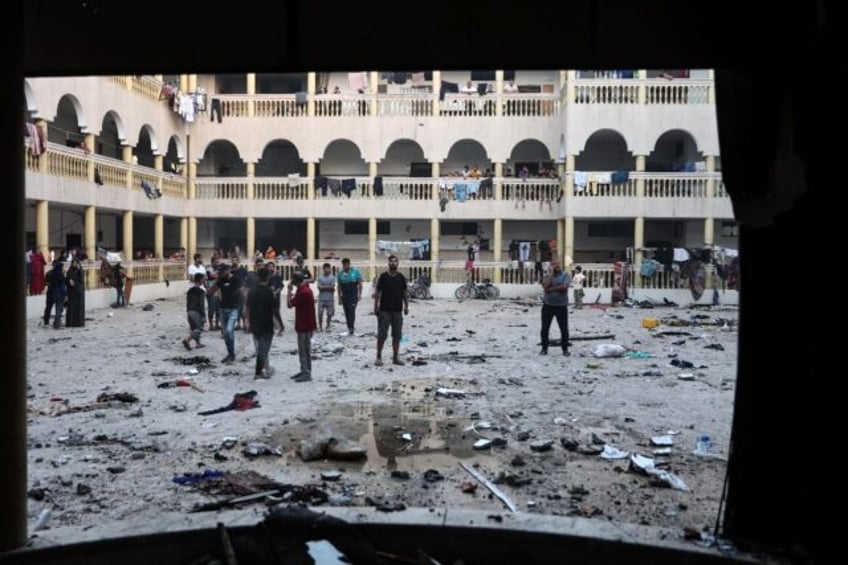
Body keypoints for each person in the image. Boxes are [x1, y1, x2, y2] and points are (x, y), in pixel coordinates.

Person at [373, 254, 409, 366]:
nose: (393, 263)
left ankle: (395, 357)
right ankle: (378, 357)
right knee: (382, 335)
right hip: (384, 310)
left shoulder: (401, 277)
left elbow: (405, 293)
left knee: (397, 335)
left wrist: (406, 306)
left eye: (395, 261)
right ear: (388, 263)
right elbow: (377, 292)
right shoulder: (383, 277)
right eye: (391, 261)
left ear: (398, 263)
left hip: (397, 311)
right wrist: (375, 306)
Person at [245, 266, 277, 379]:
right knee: (264, 349)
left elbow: (247, 307)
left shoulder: (252, 291)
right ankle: (259, 372)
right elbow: (274, 310)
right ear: (268, 277)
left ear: (257, 277)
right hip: (266, 322)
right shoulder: (269, 292)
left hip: (255, 322)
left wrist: (247, 322)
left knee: (259, 347)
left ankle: (265, 368)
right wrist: (280, 324)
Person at [208, 263, 242, 364]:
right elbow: (210, 292)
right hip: (222, 309)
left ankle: (231, 354)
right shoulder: (220, 280)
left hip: (233, 309)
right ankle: (230, 354)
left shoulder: (236, 279)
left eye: (222, 271)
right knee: (226, 334)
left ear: (228, 270)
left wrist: (241, 306)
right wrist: (216, 282)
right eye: (219, 272)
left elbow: (242, 292)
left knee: (229, 330)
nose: (221, 273)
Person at [286, 270, 317, 382]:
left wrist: (289, 291)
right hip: (308, 324)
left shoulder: (302, 292)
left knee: (303, 350)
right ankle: (306, 370)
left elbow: (289, 304)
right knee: (306, 349)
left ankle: (306, 372)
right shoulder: (306, 290)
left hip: (303, 324)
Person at [539, 259, 571, 356]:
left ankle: (565, 349)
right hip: (547, 305)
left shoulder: (566, 275)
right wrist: (552, 275)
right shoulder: (547, 276)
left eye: (557, 264)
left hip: (561, 306)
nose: (556, 266)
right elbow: (545, 287)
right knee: (545, 328)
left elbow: (564, 287)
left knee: (564, 329)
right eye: (553, 264)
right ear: (551, 266)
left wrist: (551, 289)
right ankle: (544, 348)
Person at [337, 257, 363, 336]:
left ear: (349, 264)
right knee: (347, 311)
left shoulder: (356, 272)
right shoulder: (340, 273)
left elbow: (360, 284)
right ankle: (349, 327)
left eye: (347, 265)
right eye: (344, 265)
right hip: (345, 295)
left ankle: (351, 327)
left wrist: (360, 294)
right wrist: (339, 297)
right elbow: (339, 286)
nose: (345, 266)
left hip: (353, 294)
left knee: (352, 311)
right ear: (342, 265)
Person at [183, 272, 206, 351]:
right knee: (199, 328)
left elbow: (188, 302)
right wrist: (203, 316)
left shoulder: (190, 290)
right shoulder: (201, 291)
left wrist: (188, 311)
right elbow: (201, 305)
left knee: (193, 328)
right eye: (203, 279)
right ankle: (187, 340)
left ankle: (198, 343)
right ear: (200, 280)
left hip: (189, 311)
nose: (204, 280)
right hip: (196, 311)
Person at [43, 259, 67, 328]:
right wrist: (65, 295)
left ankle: (46, 322)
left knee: (48, 308)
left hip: (50, 293)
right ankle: (57, 323)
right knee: (58, 309)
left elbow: (46, 282)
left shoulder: (49, 273)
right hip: (58, 294)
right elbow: (63, 286)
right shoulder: (61, 274)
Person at [64, 256, 86, 327]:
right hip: (71, 292)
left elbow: (81, 280)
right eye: (73, 263)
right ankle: (71, 323)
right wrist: (69, 281)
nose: (75, 264)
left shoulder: (80, 271)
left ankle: (79, 323)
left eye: (76, 263)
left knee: (78, 308)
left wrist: (79, 270)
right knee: (71, 308)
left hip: (79, 293)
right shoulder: (70, 271)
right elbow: (66, 280)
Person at [266, 261, 285, 335]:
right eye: (269, 266)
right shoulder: (266, 276)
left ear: (274, 267)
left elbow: (281, 286)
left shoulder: (277, 276)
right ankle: (273, 327)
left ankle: (281, 326)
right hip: (268, 296)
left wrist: (275, 293)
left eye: (272, 266)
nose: (270, 268)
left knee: (276, 312)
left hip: (276, 297)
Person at [316, 262, 336, 332]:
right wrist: (329, 287)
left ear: (330, 269)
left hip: (330, 299)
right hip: (321, 298)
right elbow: (319, 287)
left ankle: (328, 326)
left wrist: (323, 287)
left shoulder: (332, 277)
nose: (327, 270)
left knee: (329, 314)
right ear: (323, 269)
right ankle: (320, 326)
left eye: (328, 268)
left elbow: (332, 286)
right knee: (320, 313)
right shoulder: (320, 277)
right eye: (326, 268)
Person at [205, 256, 221, 330]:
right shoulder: (208, 269)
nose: (217, 263)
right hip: (211, 290)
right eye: (216, 262)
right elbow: (210, 277)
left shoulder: (219, 269)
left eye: (218, 262)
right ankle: (211, 325)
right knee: (211, 309)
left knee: (218, 309)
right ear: (212, 262)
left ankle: (217, 324)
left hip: (219, 291)